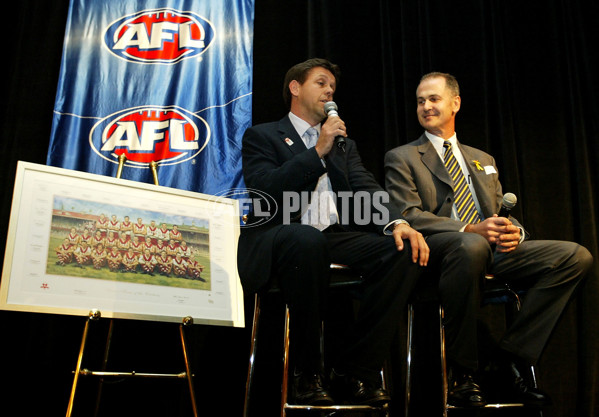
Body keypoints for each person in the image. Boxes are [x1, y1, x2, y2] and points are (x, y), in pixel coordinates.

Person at [384, 72, 593, 407]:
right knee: (472, 244)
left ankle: (508, 358)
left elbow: (498, 211)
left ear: (456, 103)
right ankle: (463, 373)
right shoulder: (403, 157)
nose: (425, 106)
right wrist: (468, 230)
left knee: (574, 256)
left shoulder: (483, 159)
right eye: (421, 101)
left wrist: (514, 232)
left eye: (433, 99)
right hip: (443, 255)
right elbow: (408, 215)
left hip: (491, 251)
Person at [237, 58, 429, 407]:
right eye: (321, 83)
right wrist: (317, 151)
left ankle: (356, 368)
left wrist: (399, 222)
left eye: (332, 88)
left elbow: (366, 188)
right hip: (280, 235)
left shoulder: (344, 144)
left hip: (331, 236)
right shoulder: (262, 135)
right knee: (305, 239)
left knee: (401, 251)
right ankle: (306, 371)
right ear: (295, 88)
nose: (329, 92)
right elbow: (265, 190)